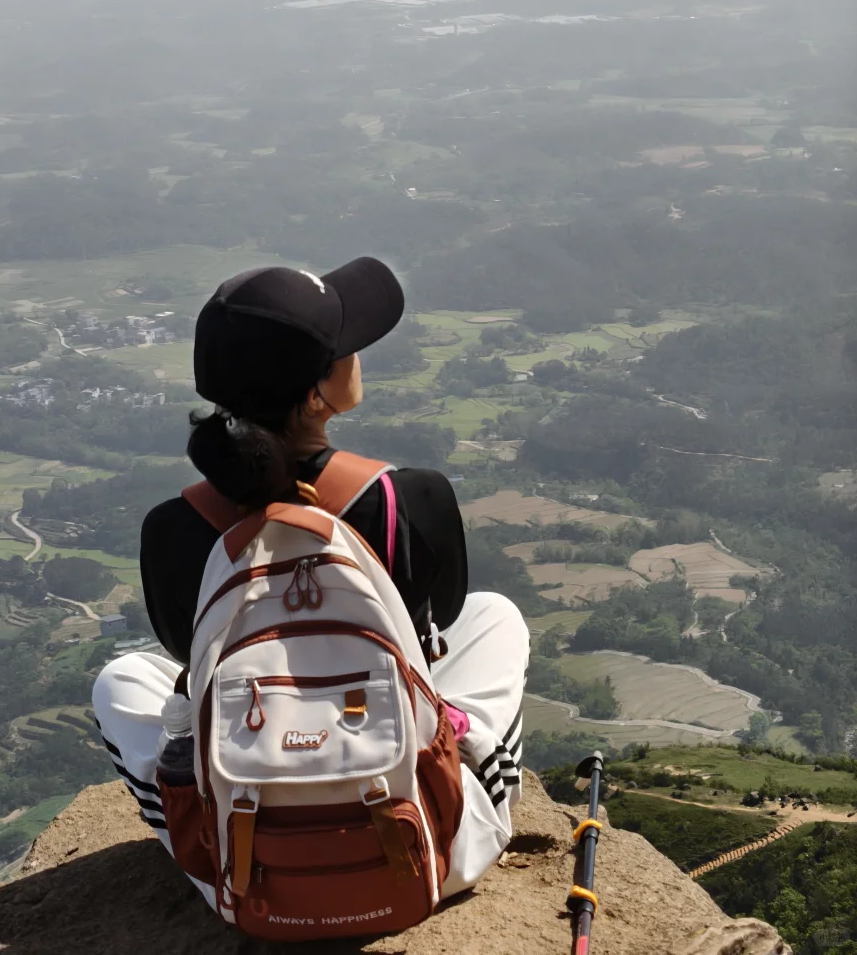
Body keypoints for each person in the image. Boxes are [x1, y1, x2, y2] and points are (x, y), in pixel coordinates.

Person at [93, 256, 530, 911]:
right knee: (495, 617)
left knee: (122, 679)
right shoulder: (407, 500)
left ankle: (198, 838)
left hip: (246, 871)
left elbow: (188, 653)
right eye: (345, 348)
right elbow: (435, 632)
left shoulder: (172, 528)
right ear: (316, 395)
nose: (358, 356)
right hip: (424, 851)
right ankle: (475, 805)